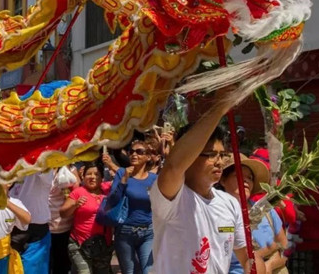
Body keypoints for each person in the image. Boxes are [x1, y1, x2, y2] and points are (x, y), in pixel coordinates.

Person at [150, 90, 264, 274]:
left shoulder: (230, 203)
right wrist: (220, 107)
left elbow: (248, 255)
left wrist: (255, 266)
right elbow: (173, 166)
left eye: (222, 155)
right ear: (190, 156)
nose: (219, 162)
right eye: (211, 155)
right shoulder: (171, 197)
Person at [218, 154, 288, 274]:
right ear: (223, 180)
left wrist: (270, 265)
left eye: (249, 177)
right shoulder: (216, 214)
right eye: (238, 175)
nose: (245, 180)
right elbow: (225, 233)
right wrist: (264, 253)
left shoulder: (267, 211)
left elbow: (285, 247)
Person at [107, 133, 157, 274]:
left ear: (148, 157)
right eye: (131, 151)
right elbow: (113, 201)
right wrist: (124, 180)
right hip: (125, 232)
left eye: (139, 152)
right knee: (129, 272)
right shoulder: (122, 173)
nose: (134, 154)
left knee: (148, 271)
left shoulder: (154, 179)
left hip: (148, 232)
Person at [60, 161, 113, 273]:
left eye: (96, 174)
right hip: (80, 245)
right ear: (83, 177)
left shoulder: (108, 190)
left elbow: (125, 178)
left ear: (102, 178)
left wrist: (111, 164)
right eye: (89, 174)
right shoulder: (78, 192)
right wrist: (74, 205)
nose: (92, 177)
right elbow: (63, 213)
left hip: (103, 245)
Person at [49, 166, 79, 274]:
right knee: (47, 263)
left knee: (61, 263)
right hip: (44, 225)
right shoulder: (42, 169)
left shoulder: (70, 169)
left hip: (63, 225)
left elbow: (76, 192)